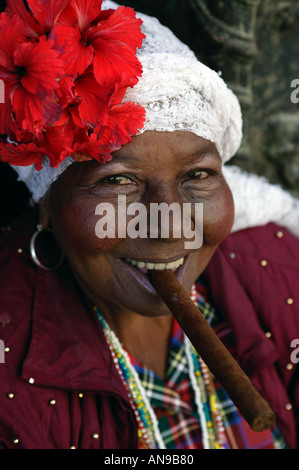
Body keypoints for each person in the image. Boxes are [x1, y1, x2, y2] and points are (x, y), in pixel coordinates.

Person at [0, 0, 298, 450]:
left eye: (197, 175)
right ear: (47, 203)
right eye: (117, 181)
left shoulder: (278, 266)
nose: (169, 226)